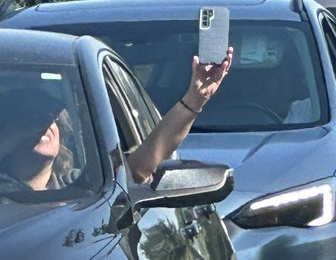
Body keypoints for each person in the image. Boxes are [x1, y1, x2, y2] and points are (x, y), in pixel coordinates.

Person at [0, 48, 233, 192]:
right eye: (26, 119)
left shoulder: (87, 188)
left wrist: (195, 99)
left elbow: (148, 157)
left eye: (49, 117)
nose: (42, 126)